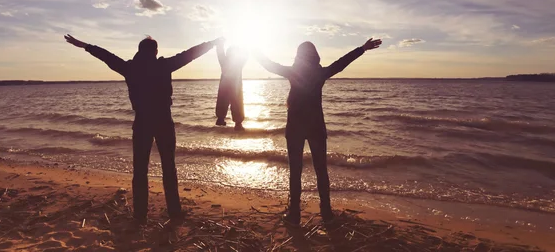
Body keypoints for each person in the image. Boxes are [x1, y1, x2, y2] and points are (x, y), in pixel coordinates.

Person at [64, 34, 223, 223]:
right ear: (155, 51)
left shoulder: (130, 68)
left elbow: (106, 56)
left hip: (142, 122)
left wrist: (85, 45)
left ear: (139, 51)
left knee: (140, 170)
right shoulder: (163, 65)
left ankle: (140, 214)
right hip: (163, 120)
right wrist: (212, 44)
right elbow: (189, 54)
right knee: (168, 168)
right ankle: (174, 211)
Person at [255, 38, 382, 227]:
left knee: (295, 171)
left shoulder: (293, 72)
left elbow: (269, 65)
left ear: (298, 56)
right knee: (320, 170)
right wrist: (362, 49)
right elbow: (341, 63)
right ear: (315, 56)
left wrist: (253, 50)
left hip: (296, 128)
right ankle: (326, 212)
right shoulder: (320, 73)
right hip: (316, 128)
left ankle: (295, 214)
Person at [215, 41, 247, 131]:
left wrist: (220, 44)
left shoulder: (225, 61)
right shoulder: (239, 63)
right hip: (235, 86)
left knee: (222, 101)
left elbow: (220, 53)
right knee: (237, 103)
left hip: (225, 86)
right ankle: (237, 123)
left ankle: (221, 119)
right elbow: (245, 56)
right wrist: (245, 47)